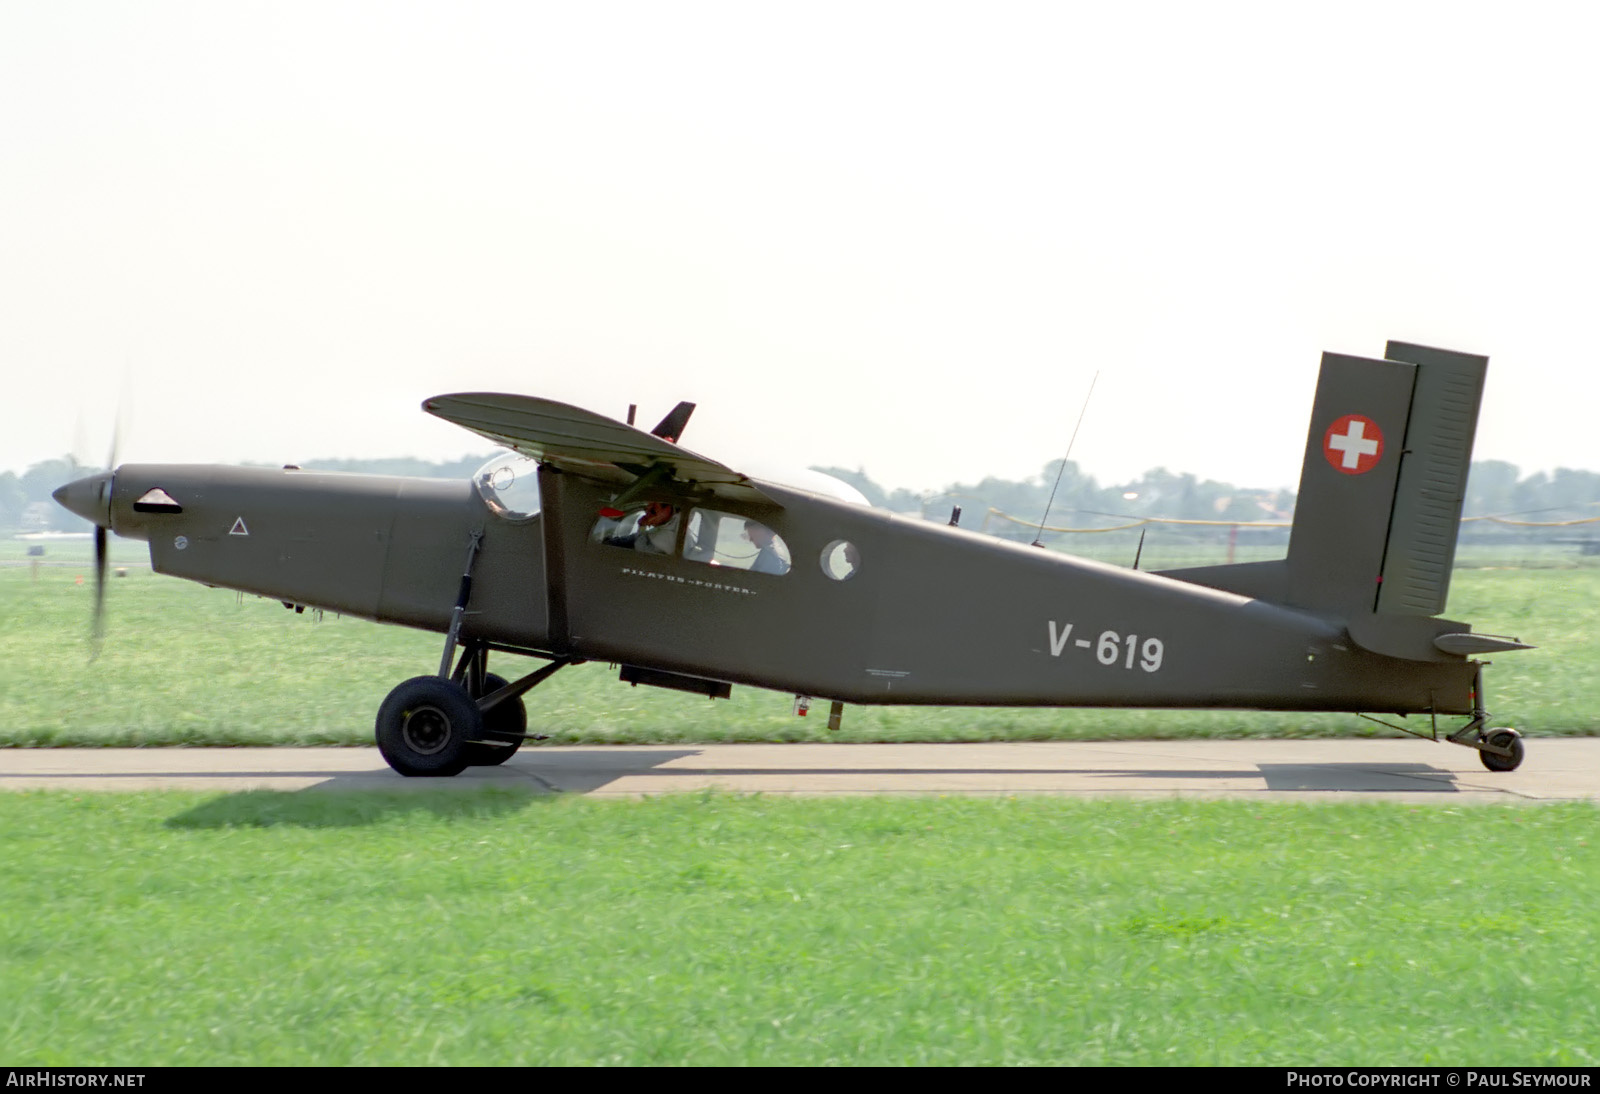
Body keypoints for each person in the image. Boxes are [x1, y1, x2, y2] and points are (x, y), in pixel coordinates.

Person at [604, 502, 679, 555]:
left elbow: (639, 547)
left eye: (653, 511)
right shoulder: (672, 521)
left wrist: (642, 527)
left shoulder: (662, 539)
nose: (647, 515)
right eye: (646, 509)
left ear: (668, 509)